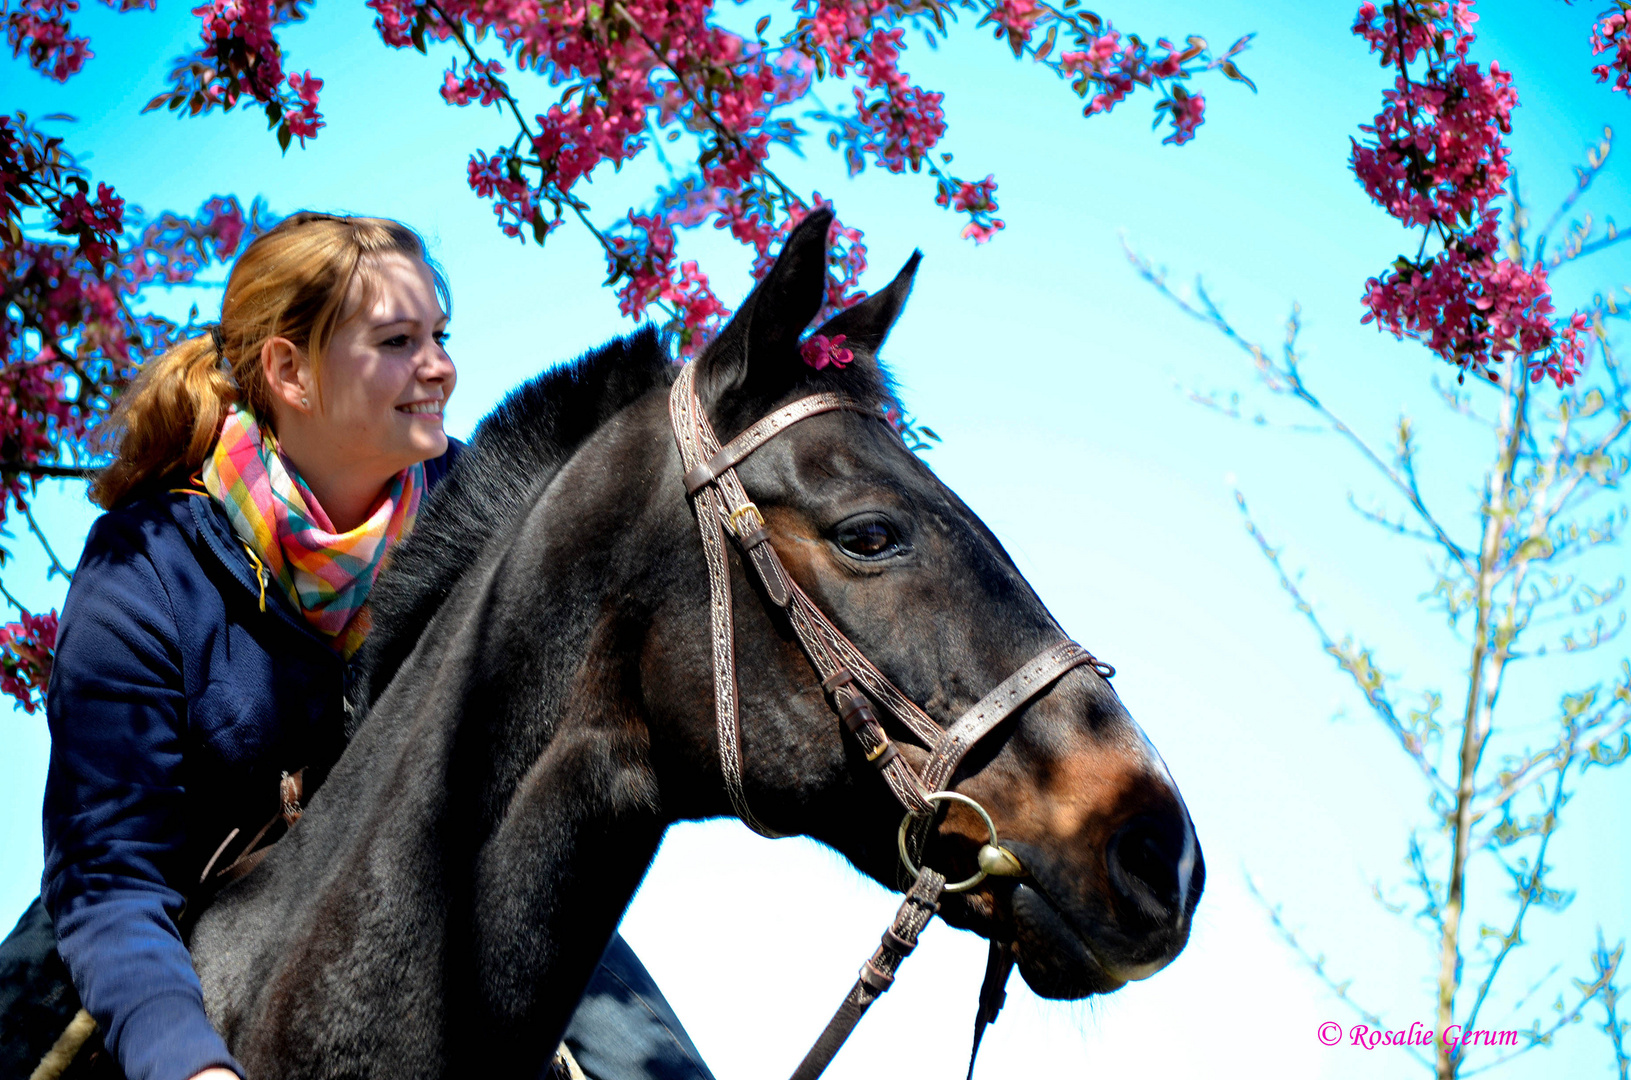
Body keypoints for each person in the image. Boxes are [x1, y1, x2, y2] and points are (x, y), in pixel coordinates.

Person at [25, 213, 714, 1080]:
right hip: (155, 924)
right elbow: (111, 873)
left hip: (467, 902)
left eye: (439, 336)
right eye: (397, 341)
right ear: (288, 372)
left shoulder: (498, 514)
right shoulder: (144, 567)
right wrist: (188, 1065)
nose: (439, 368)